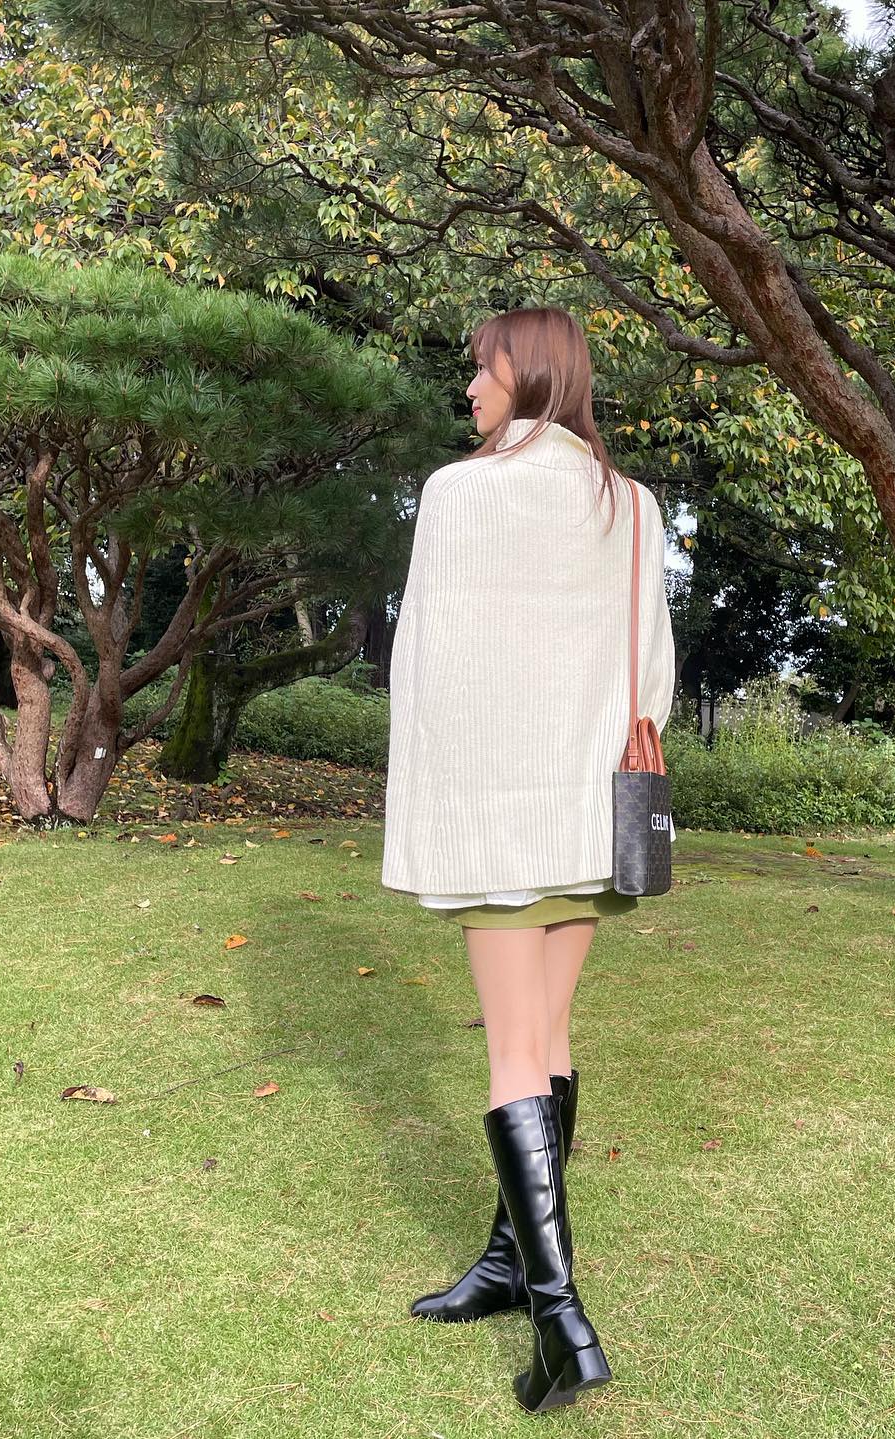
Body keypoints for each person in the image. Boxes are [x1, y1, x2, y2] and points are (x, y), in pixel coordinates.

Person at [380, 306, 677, 1413]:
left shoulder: (459, 493)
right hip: (593, 816)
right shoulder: (631, 504)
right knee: (548, 1037)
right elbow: (652, 672)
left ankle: (562, 1320)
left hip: (501, 819)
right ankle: (510, 1262)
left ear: (530, 373)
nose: (470, 388)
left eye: (483, 368)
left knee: (511, 1049)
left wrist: (431, 804)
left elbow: (430, 663)